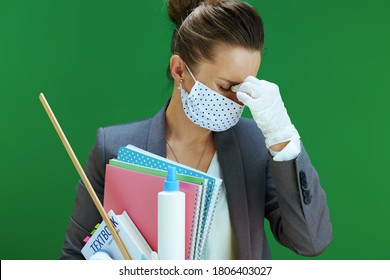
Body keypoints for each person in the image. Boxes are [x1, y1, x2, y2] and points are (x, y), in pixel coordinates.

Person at [60, 0, 332, 260]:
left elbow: (311, 241)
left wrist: (282, 136)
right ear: (180, 70)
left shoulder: (256, 147)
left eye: (244, 87)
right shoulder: (114, 148)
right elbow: (74, 257)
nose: (237, 101)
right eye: (226, 87)